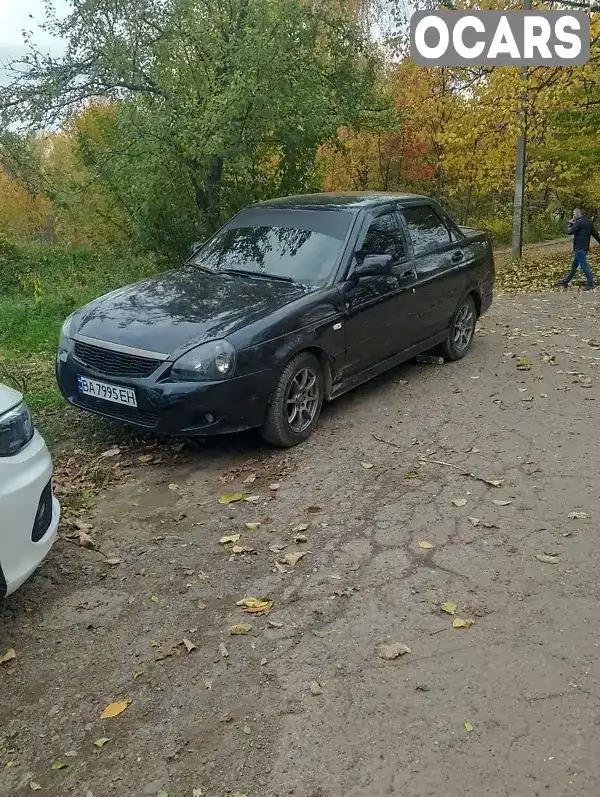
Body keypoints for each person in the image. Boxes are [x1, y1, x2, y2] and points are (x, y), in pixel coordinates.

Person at [559, 207, 600, 289]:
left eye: (574, 214)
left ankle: (591, 284)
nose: (573, 216)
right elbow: (595, 234)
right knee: (574, 266)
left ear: (578, 213)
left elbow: (569, 232)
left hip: (579, 248)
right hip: (585, 248)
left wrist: (570, 224)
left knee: (584, 265)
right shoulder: (589, 222)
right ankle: (565, 281)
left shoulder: (578, 222)